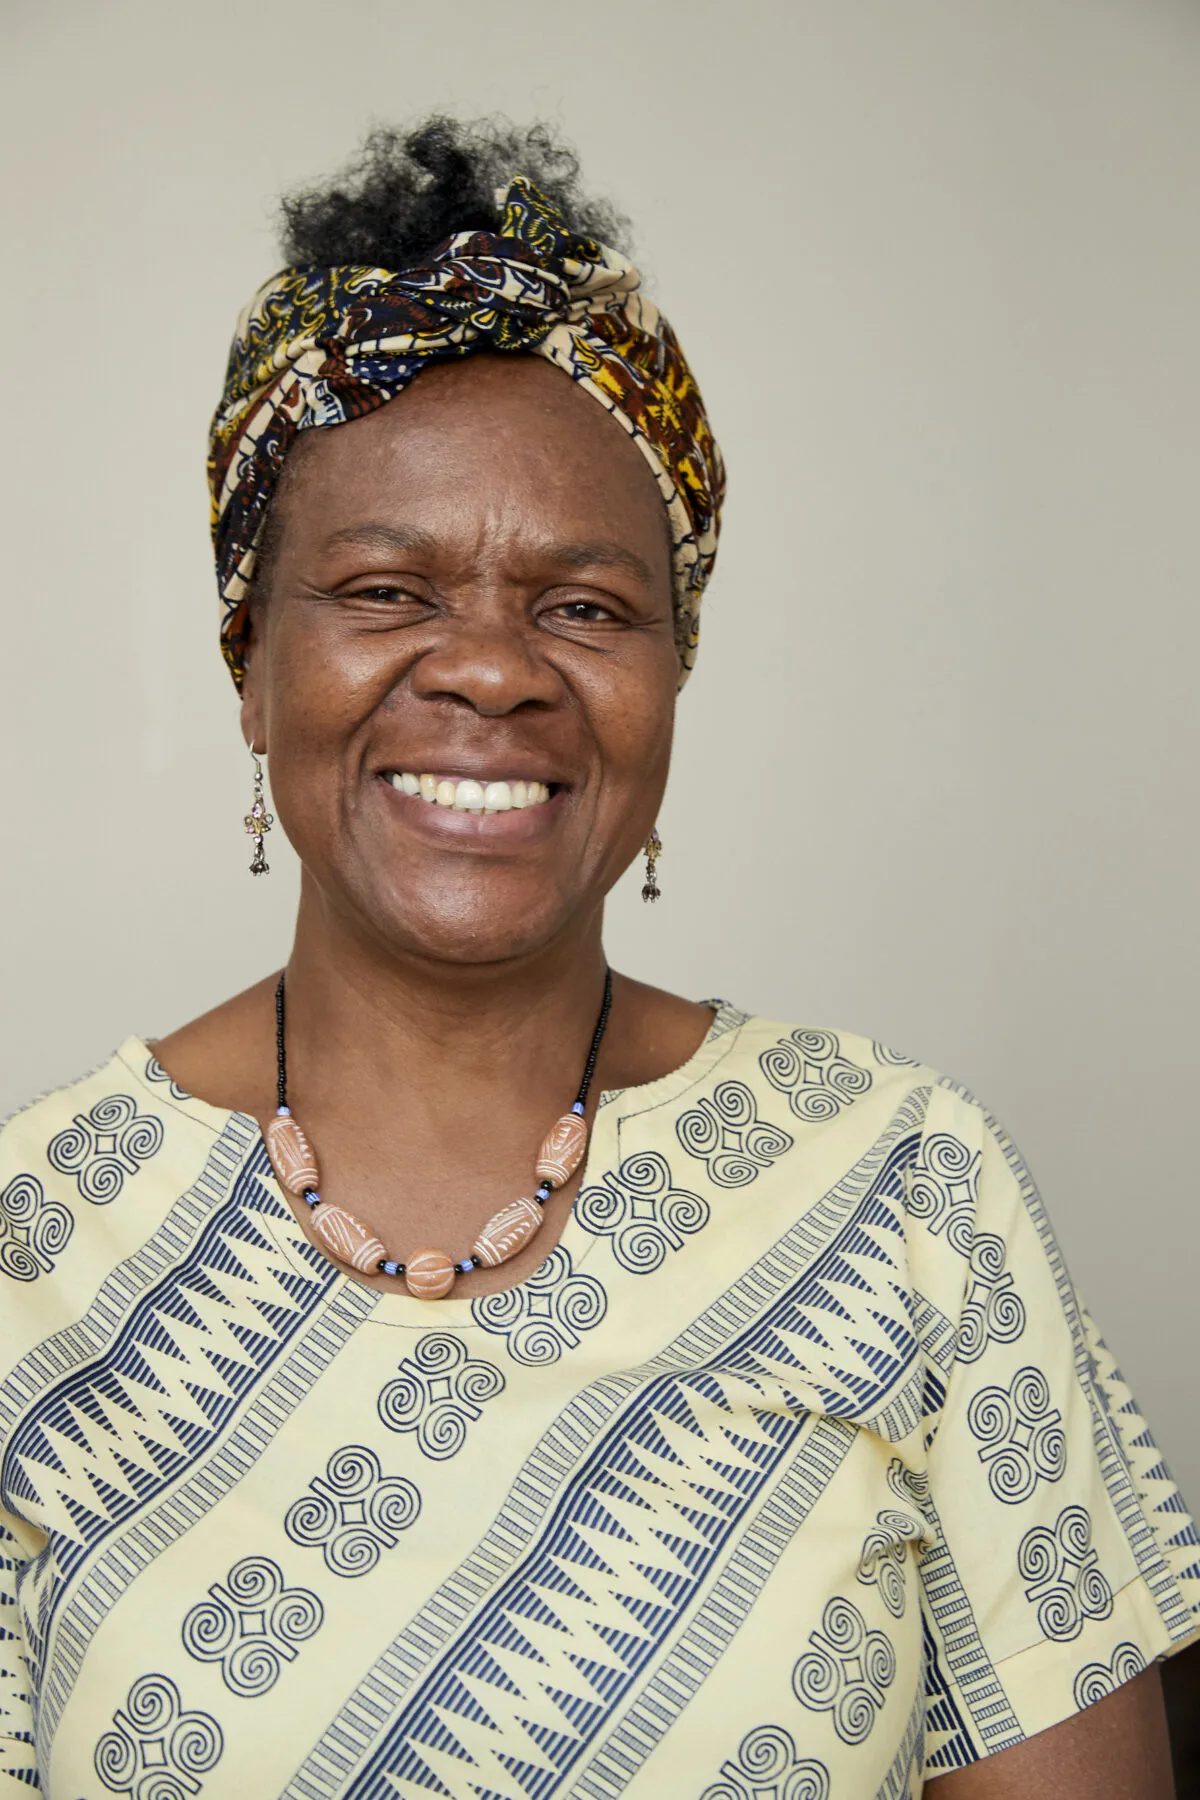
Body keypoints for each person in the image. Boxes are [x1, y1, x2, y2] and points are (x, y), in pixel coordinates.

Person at [0, 117, 1194, 1800]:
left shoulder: (903, 1189)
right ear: (250, 666)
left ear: (669, 677)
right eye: (386, 588)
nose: (489, 671)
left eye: (583, 607)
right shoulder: (31, 1244)